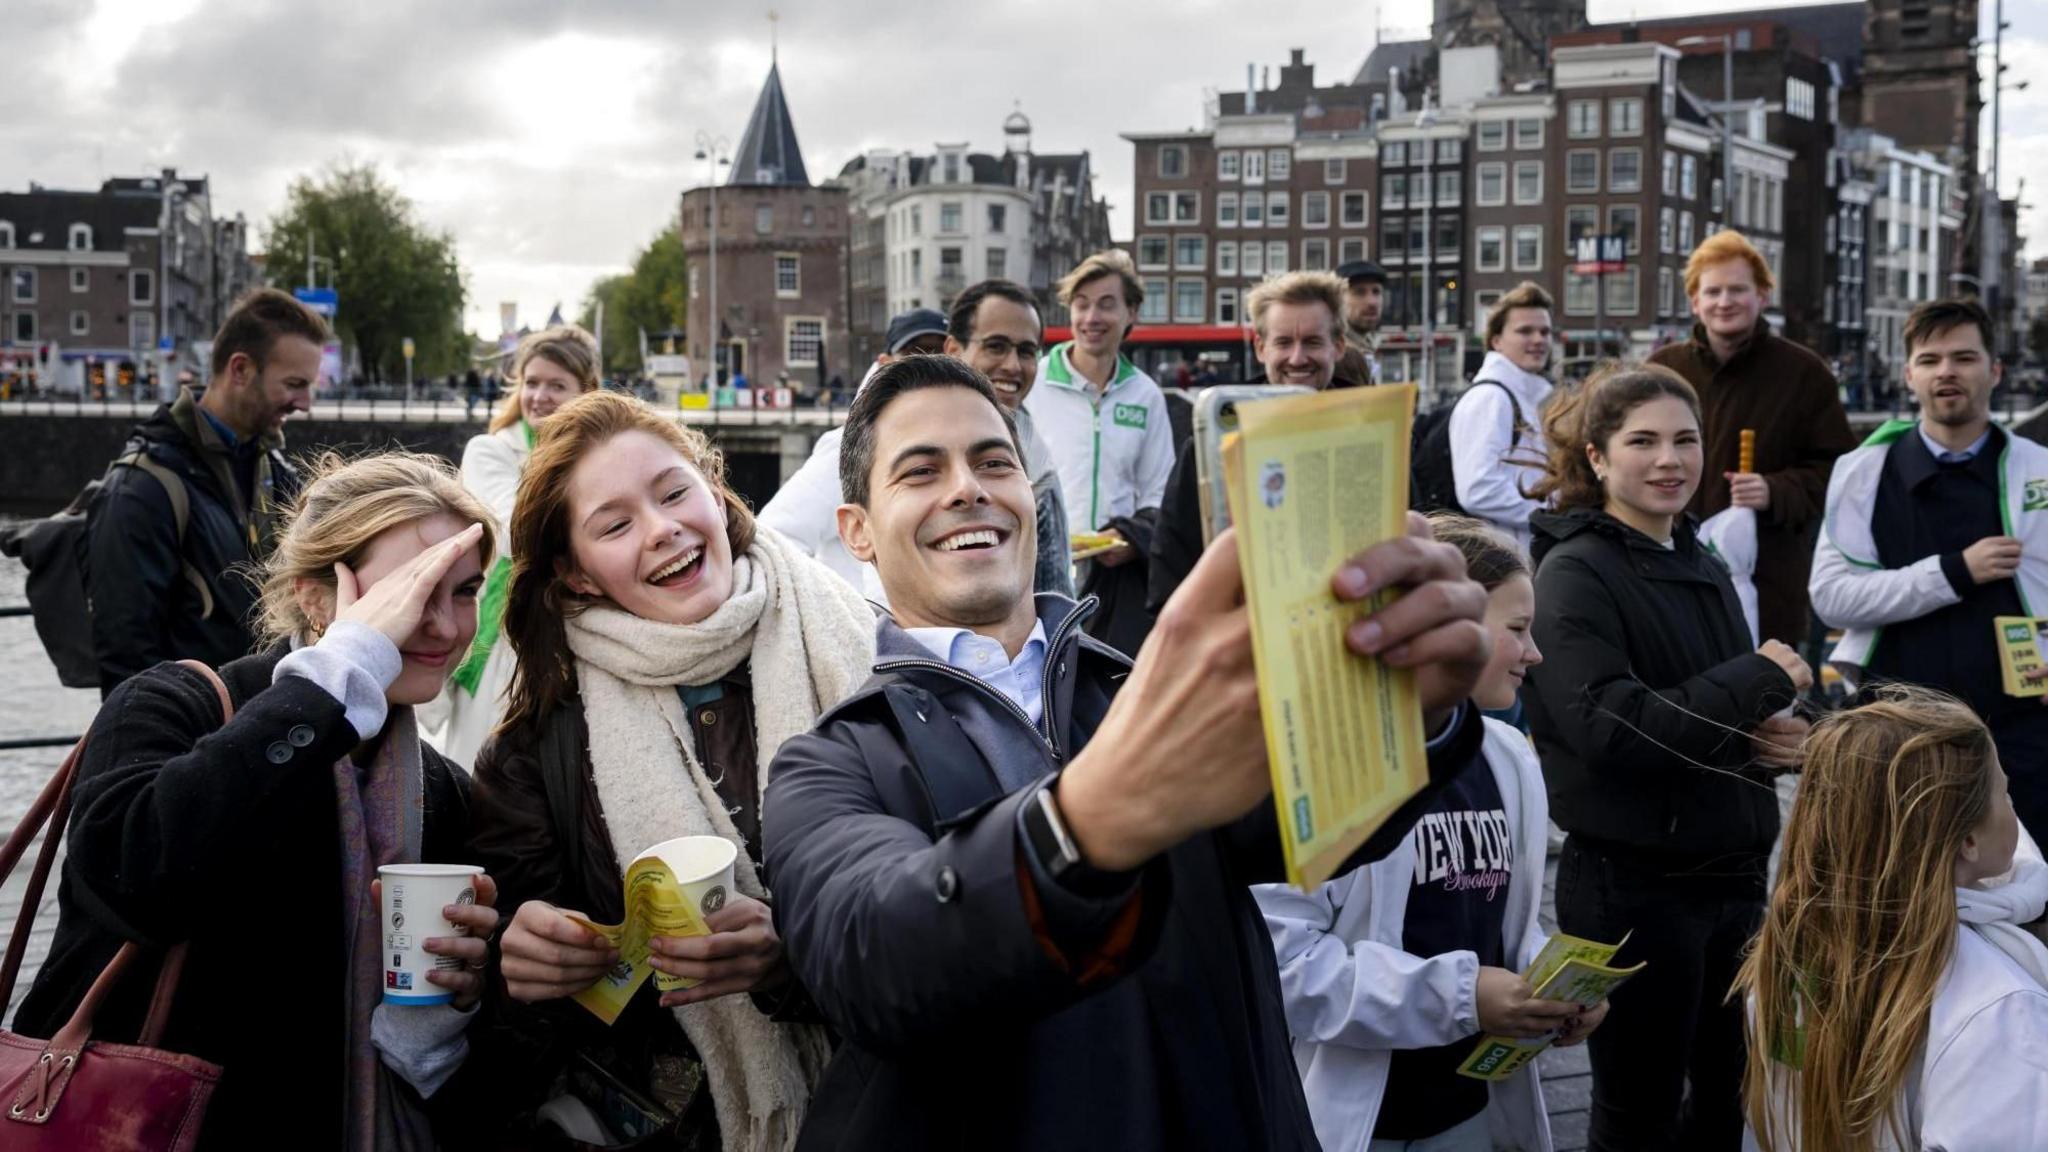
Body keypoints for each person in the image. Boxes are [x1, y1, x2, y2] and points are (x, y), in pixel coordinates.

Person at [763, 354, 1497, 1149]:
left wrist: (1409, 713)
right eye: (920, 471)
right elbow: (870, 961)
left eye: (993, 461)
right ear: (857, 531)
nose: (966, 488)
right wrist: (1093, 817)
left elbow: (1299, 827)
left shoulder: (1146, 687)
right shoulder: (827, 760)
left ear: (1032, 499)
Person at [17, 452, 502, 1148]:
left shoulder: (441, 792)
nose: (448, 627)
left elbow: (464, 1069)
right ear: (315, 596)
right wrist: (347, 665)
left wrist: (453, 1002)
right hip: (152, 1123)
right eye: (407, 590)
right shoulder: (173, 707)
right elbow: (135, 879)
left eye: (463, 591)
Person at [466, 390, 870, 1149]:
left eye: (675, 492)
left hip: (872, 1111)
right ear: (576, 575)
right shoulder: (533, 755)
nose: (664, 530)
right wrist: (516, 970)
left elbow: (932, 925)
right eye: (615, 525)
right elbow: (509, 1040)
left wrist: (793, 962)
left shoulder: (860, 654)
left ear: (715, 496)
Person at [1522, 362, 1813, 1151]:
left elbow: (1708, 709)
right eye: (1642, 441)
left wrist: (1776, 744)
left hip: (1729, 876)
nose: (1668, 460)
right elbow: (1614, 730)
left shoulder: (1701, 553)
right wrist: (1756, 678)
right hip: (1635, 887)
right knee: (1638, 1112)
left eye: (1685, 440)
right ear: (1596, 458)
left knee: (1725, 1097)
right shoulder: (1575, 572)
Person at [1257, 515, 1606, 1152]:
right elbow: (1285, 967)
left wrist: (1551, 986)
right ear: (1446, 624)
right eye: (1518, 631)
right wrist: (1462, 995)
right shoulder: (1329, 766)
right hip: (1357, 1122)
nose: (1535, 654)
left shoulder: (1510, 757)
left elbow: (1505, 921)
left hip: (1467, 1108)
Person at [1737, 687, 2048, 1151]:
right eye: (2005, 794)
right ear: (1967, 842)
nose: (2012, 809)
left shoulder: (1790, 958)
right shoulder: (1997, 1005)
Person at [1809, 296, 2048, 838]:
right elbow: (1831, 598)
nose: (1947, 372)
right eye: (1930, 359)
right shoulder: (1864, 473)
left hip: (2017, 729)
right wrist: (1954, 572)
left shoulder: (2039, 472)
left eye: (1964, 358)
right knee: (1898, 896)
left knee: (2027, 902)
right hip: (1895, 727)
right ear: (1909, 375)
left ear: (1995, 370)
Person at [87, 287, 323, 697]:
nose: (304, 403)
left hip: (261, 731)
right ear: (240, 370)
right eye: (294, 384)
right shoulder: (141, 489)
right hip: (191, 739)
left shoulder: (277, 475)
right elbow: (125, 657)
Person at [1649, 230, 1855, 647]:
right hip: (1669, 572)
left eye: (1738, 289)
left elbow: (1844, 473)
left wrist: (1775, 490)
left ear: (1762, 296)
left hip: (1769, 582)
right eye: (1713, 291)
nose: (1725, 301)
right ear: (1695, 301)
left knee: (1770, 701)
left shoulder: (1803, 373)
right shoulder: (1660, 371)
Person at [420, 326, 602, 771]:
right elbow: (513, 535)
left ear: (586, 393)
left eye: (556, 385)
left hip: (581, 628)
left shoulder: (599, 458)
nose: (539, 396)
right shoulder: (489, 451)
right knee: (483, 763)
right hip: (502, 629)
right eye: (531, 382)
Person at [1150, 271, 1354, 614]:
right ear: (1261, 348)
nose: (1297, 357)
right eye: (1283, 342)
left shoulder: (1369, 430)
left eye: (1313, 342)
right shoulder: (1215, 436)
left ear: (1339, 346)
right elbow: (1172, 557)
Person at [759, 307, 950, 593]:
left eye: (940, 353)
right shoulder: (849, 445)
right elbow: (774, 537)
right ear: (885, 364)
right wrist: (837, 612)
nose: (928, 364)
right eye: (914, 352)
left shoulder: (961, 442)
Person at [1024, 249, 1174, 559]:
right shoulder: (1031, 383)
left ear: (1131, 312)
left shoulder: (1145, 395)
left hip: (1115, 571)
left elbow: (1158, 491)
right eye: (1082, 305)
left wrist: (1130, 538)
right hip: (1040, 564)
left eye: (1106, 305)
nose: (1092, 318)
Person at [1450, 281, 1554, 550]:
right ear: (1496, 341)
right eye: (1525, 331)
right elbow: (1478, 489)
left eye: (1545, 331)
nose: (1539, 340)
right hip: (1506, 557)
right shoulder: (1491, 398)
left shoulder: (1524, 395)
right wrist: (1549, 515)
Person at [1336, 259, 1389, 382]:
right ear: (1338, 299)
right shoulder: (1338, 355)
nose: (1372, 302)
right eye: (1359, 292)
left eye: (1376, 292)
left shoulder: (1365, 345)